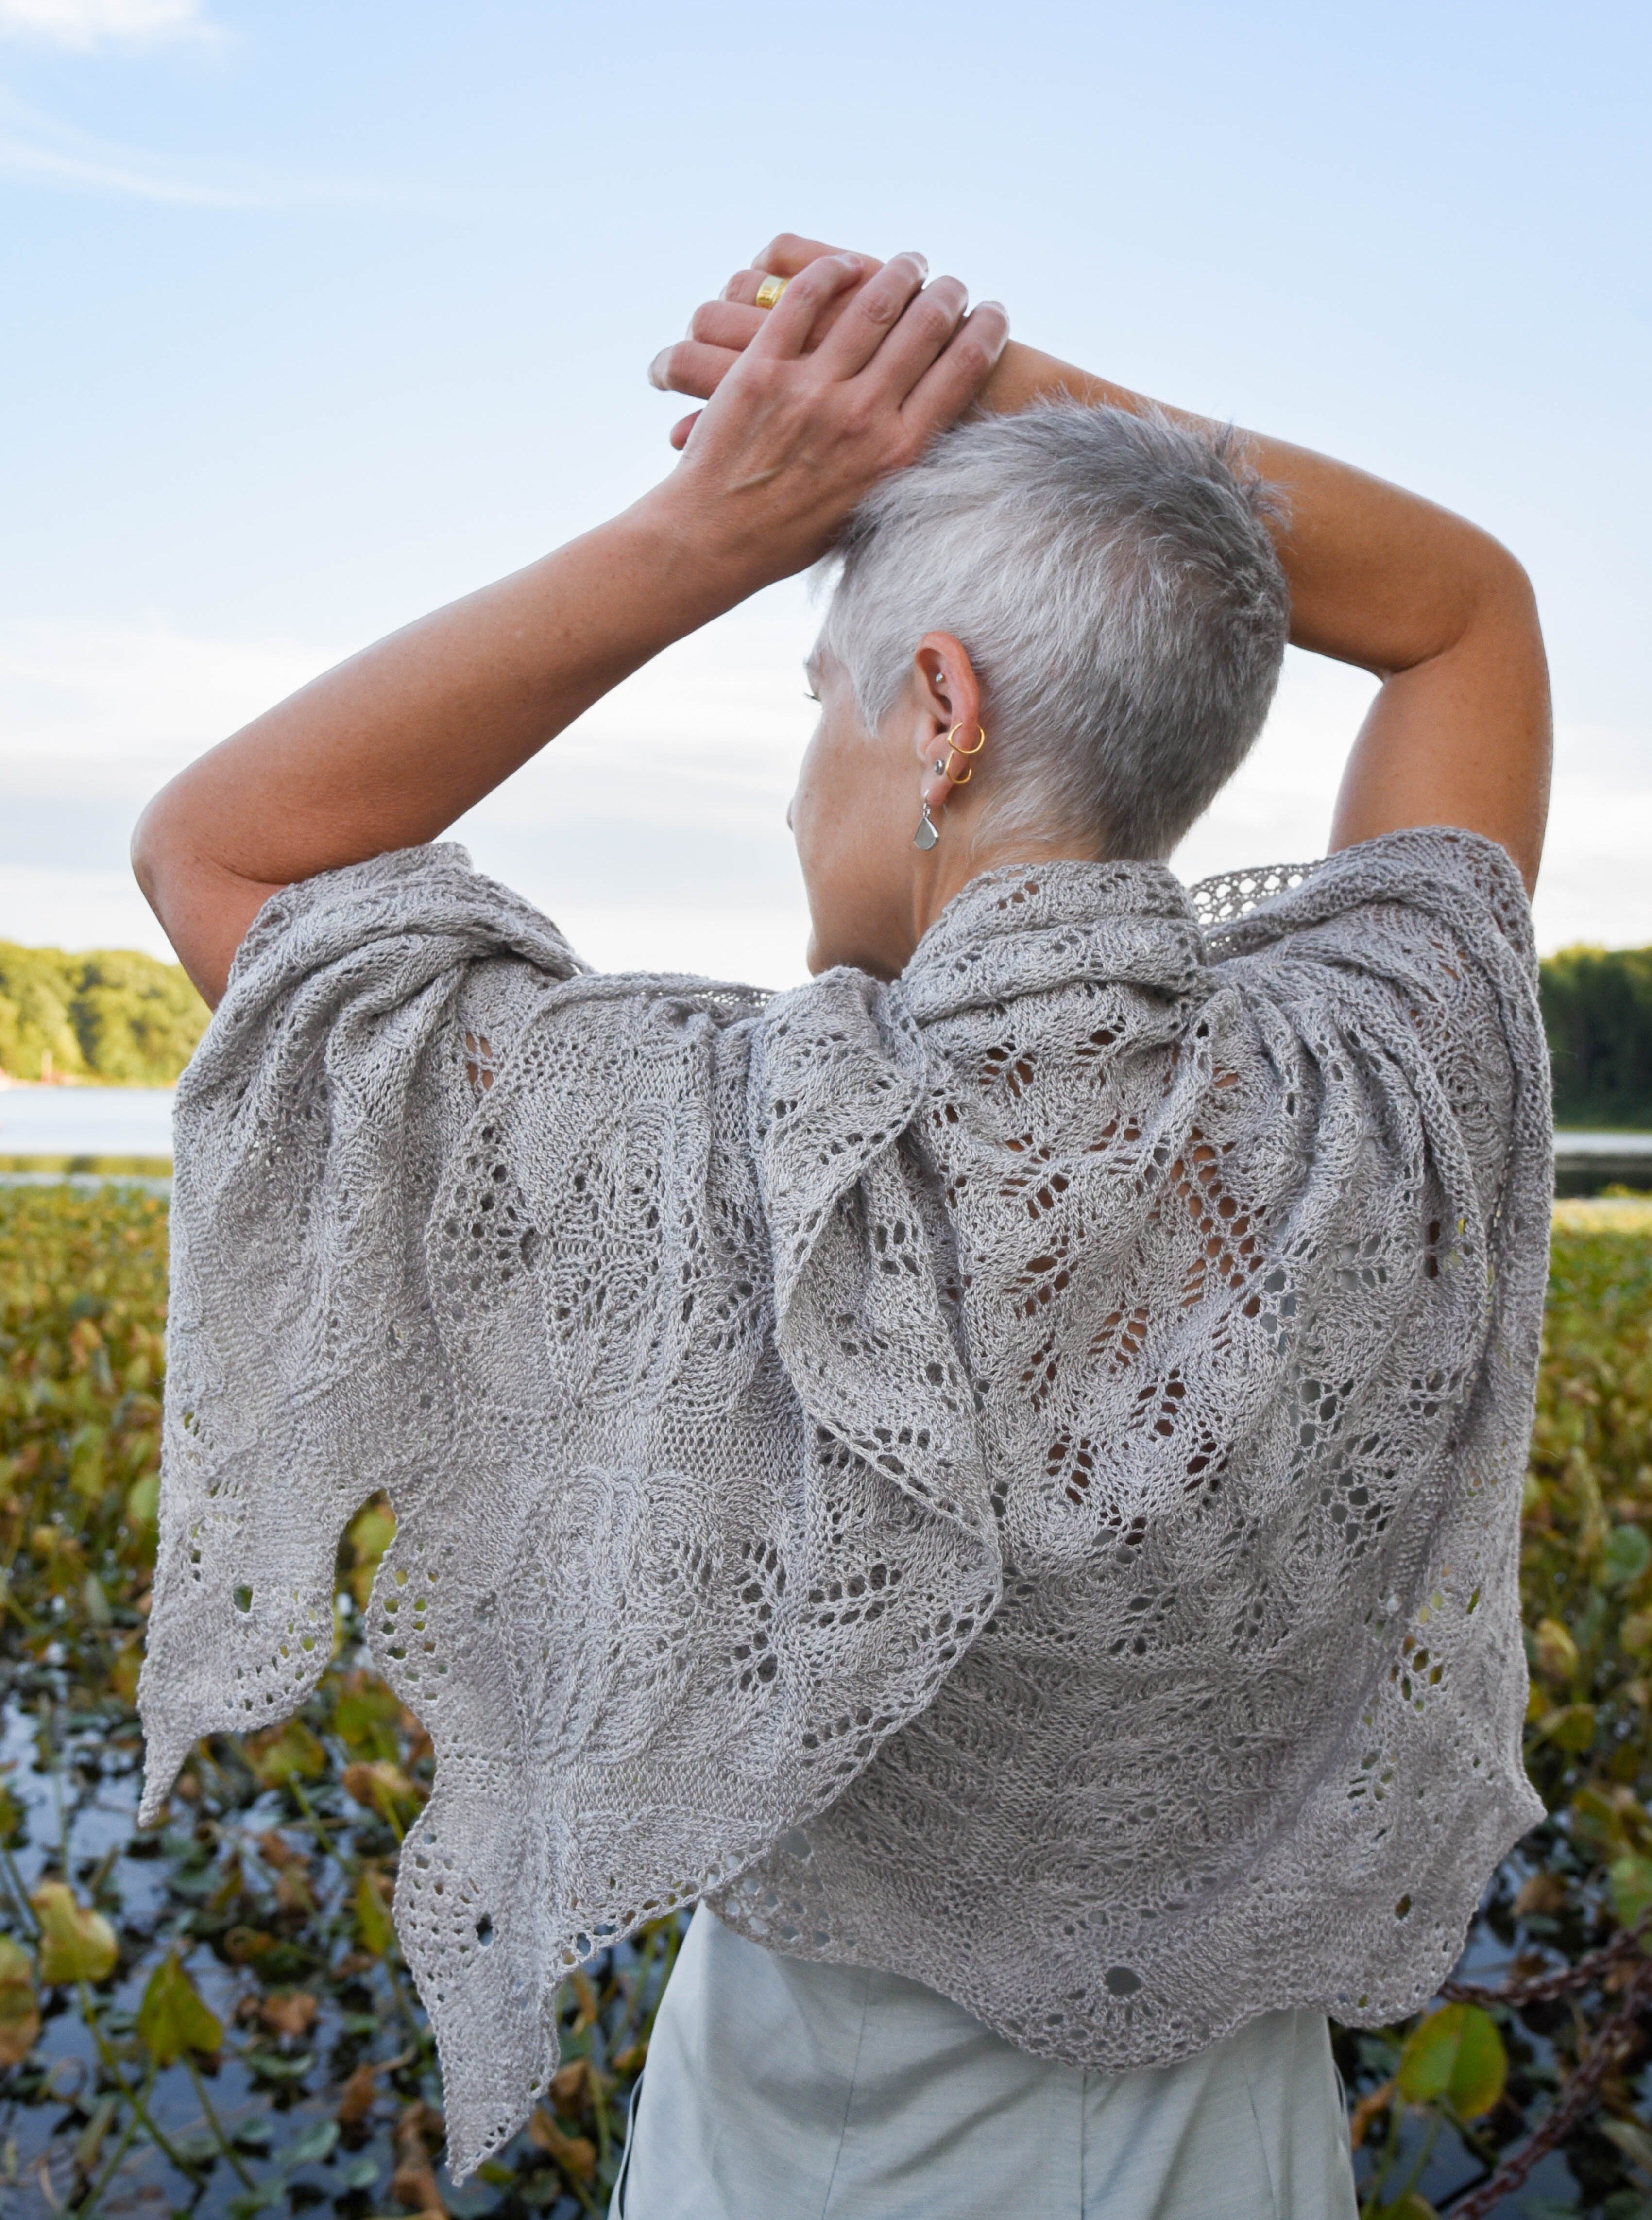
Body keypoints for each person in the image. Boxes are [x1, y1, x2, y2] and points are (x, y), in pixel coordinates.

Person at [131, 236, 1553, 2220]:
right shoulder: (1381, 1082)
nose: (799, 782)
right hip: (1229, 2153)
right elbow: (1459, 613)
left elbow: (225, 847)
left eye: (822, 700)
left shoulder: (702, 1150)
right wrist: (996, 396)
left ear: (938, 714)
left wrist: (722, 515)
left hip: (799, 2152)